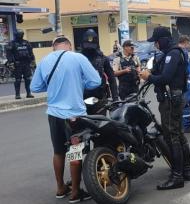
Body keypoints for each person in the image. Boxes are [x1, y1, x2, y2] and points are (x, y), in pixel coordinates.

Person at [30, 36, 101, 203]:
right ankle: (76, 192)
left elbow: (35, 87)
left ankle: (61, 188)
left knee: (58, 152)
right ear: (69, 46)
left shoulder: (45, 60)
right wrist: (80, 84)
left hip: (54, 114)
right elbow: (95, 81)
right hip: (74, 115)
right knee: (74, 153)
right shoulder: (77, 57)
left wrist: (53, 85)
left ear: (54, 47)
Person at [140, 27, 190, 190]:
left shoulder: (173, 53)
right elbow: (159, 71)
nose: (155, 45)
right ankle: (186, 170)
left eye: (156, 41)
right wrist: (149, 72)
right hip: (173, 99)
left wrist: (149, 76)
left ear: (162, 40)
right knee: (179, 135)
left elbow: (165, 78)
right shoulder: (168, 54)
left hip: (171, 101)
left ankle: (177, 176)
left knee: (172, 137)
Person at [80, 29, 118, 108]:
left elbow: (112, 79)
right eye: (87, 45)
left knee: (100, 120)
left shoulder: (103, 58)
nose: (89, 49)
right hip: (82, 99)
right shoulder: (78, 59)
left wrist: (115, 99)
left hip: (100, 98)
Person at [7, 29, 35, 99]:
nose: (21, 35)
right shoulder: (12, 43)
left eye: (22, 34)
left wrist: (33, 61)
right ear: (16, 35)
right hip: (17, 64)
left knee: (28, 79)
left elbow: (31, 52)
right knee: (18, 79)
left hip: (26, 63)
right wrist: (11, 63)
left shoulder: (26, 42)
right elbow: (9, 54)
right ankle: (17, 94)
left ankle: (29, 93)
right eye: (19, 34)